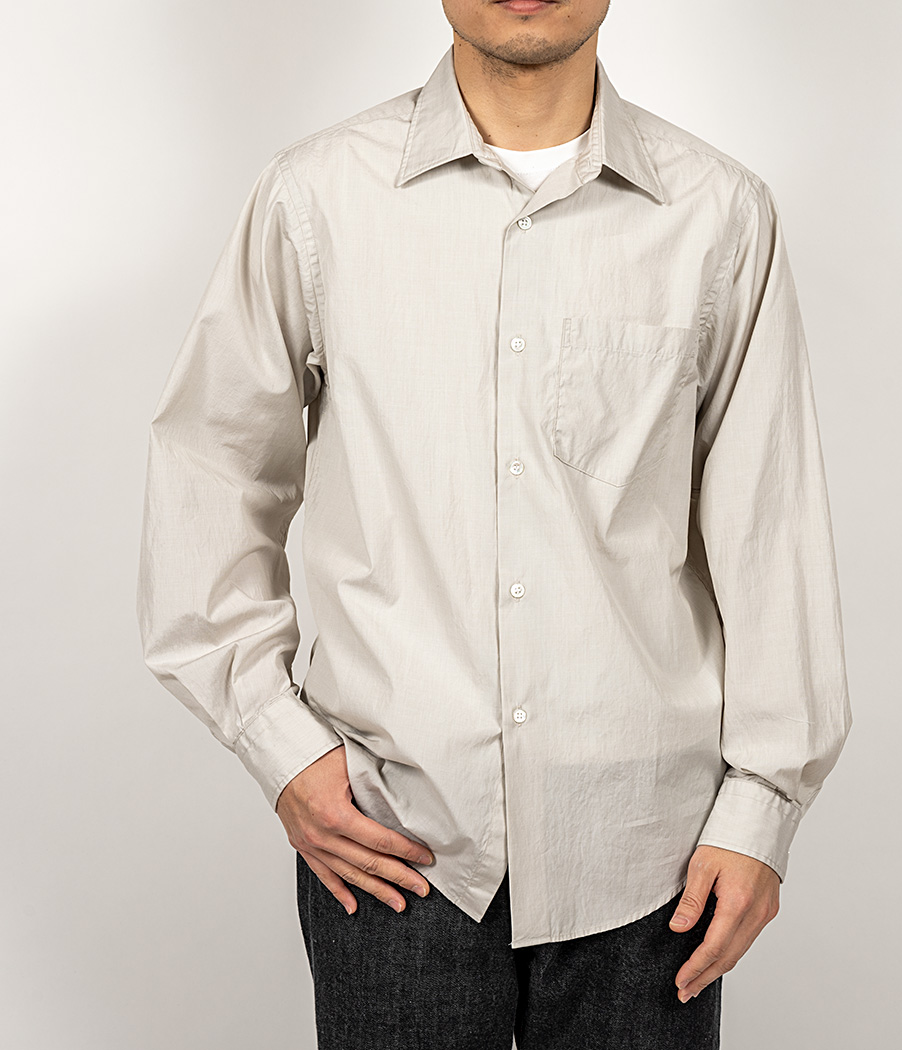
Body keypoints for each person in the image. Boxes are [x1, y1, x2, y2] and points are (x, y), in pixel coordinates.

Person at [135, 1, 853, 1047]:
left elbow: (771, 526)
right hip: (392, 842)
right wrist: (282, 749)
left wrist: (762, 809)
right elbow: (211, 470)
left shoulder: (720, 214)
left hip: (651, 858)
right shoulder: (316, 197)